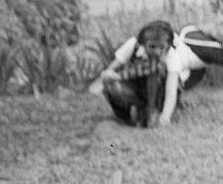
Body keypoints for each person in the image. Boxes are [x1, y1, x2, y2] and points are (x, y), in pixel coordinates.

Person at [95, 19, 223, 127]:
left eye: (161, 47)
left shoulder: (172, 56)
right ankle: (127, 116)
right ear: (142, 44)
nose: (157, 51)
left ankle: (152, 110)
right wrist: (108, 75)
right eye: (152, 47)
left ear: (168, 45)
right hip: (137, 86)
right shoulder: (132, 45)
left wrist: (165, 117)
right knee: (111, 84)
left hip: (159, 90)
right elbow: (111, 69)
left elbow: (171, 90)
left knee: (155, 67)